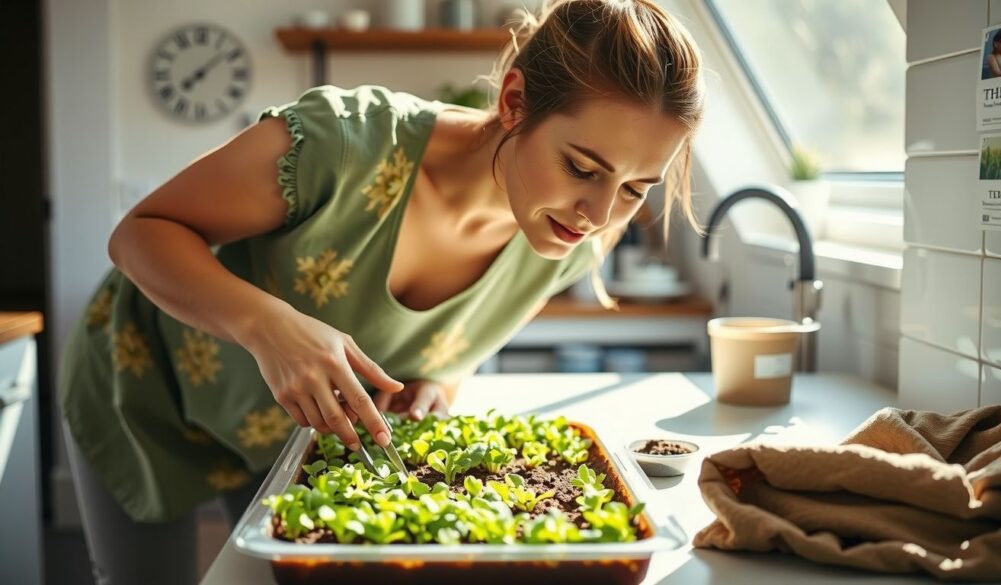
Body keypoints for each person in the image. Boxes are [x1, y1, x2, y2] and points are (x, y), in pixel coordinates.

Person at [56, 0, 706, 583]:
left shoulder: (570, 241)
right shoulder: (342, 144)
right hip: (144, 387)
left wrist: (438, 387)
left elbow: (455, 345)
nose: (598, 210)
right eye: (581, 167)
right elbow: (138, 235)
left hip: (288, 431)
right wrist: (268, 325)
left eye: (635, 188)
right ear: (514, 102)